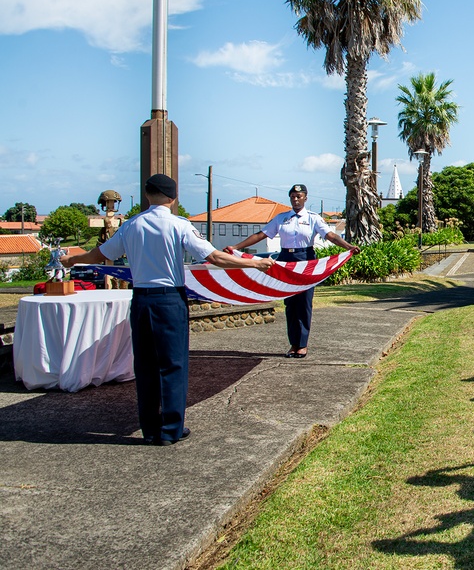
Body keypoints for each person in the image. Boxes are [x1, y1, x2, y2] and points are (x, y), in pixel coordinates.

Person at [60, 174, 275, 446]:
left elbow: (99, 254)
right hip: (169, 299)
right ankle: (171, 429)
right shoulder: (179, 225)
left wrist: (72, 260)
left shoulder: (130, 226)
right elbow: (214, 257)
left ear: (147, 195)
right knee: (173, 364)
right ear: (173, 198)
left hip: (140, 300)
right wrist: (254, 264)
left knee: (146, 365)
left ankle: (150, 428)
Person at [226, 184, 360, 358]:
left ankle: (302, 345)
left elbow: (331, 236)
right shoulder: (282, 218)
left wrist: (349, 247)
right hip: (285, 261)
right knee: (290, 304)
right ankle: (293, 344)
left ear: (305, 198)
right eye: (293, 197)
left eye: (299, 196)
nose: (296, 200)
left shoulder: (313, 218)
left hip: (305, 260)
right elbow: (261, 235)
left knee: (304, 303)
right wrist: (236, 247)